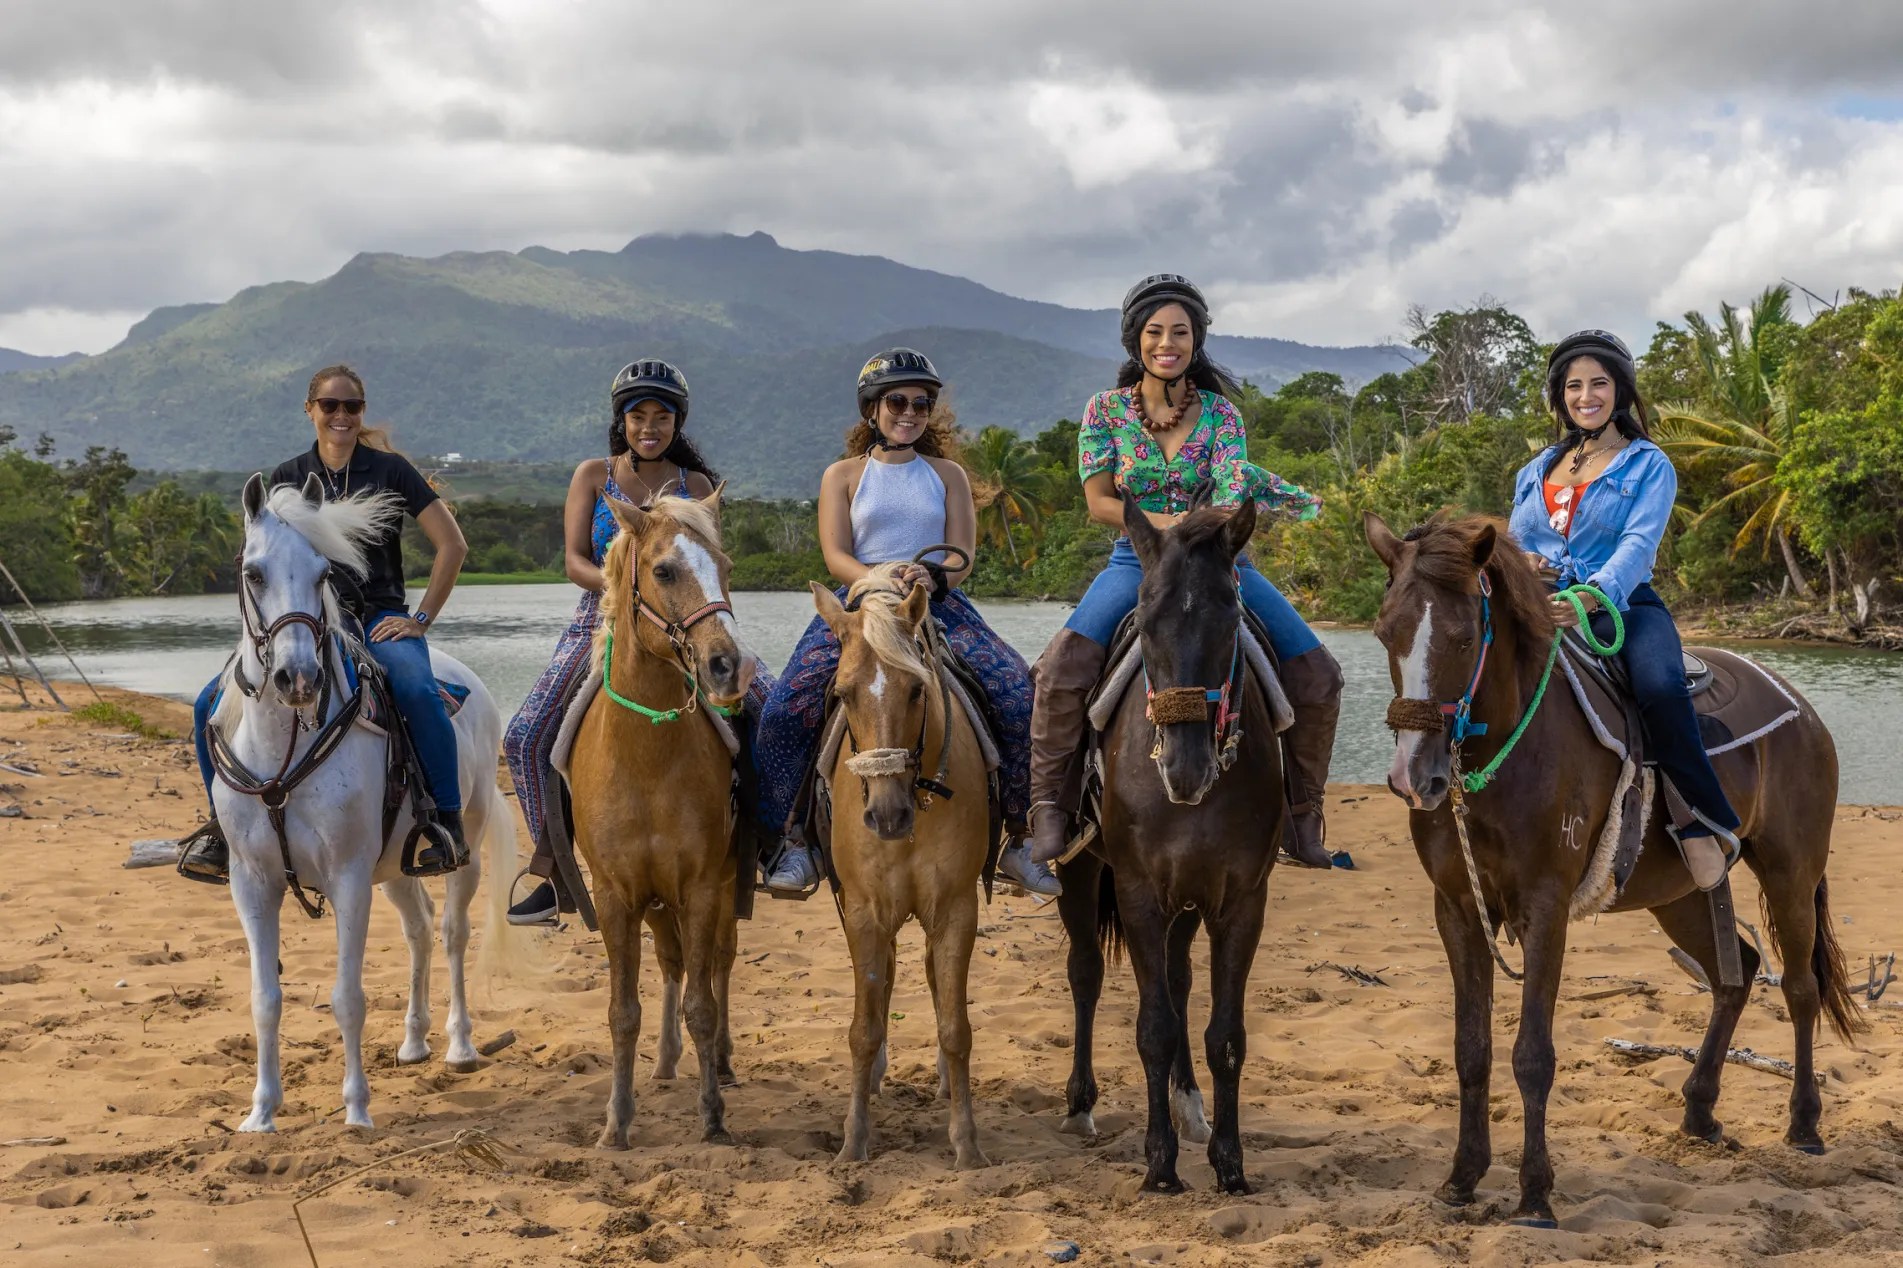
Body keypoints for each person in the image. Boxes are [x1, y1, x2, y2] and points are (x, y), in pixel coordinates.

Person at [1024, 275, 1343, 870]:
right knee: (1061, 670)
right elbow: (1098, 502)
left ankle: (1301, 818)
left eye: (1181, 332)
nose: (1167, 343)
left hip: (1221, 562)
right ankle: (1050, 811)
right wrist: (1162, 528)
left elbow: (1225, 502)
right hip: (1136, 561)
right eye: (1154, 332)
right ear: (1134, 340)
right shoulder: (1105, 411)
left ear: (1196, 340)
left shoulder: (1222, 415)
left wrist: (1185, 526)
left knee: (1319, 674)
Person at [754, 348, 1057, 897]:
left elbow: (961, 553)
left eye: (921, 403)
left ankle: (1018, 835)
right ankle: (791, 841)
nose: (910, 412)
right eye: (897, 401)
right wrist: (874, 579)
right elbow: (835, 554)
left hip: (934, 603)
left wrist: (930, 576)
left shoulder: (949, 474)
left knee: (1015, 693)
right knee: (784, 707)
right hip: (860, 604)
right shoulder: (843, 475)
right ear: (872, 409)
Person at [177, 364, 470, 882]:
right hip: (306, 622)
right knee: (206, 704)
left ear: (362, 411)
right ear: (310, 411)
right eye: (329, 406)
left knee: (417, 691)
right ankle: (221, 831)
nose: (341, 416)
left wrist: (420, 619)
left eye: (351, 406)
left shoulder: (392, 471)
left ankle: (443, 824)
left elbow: (453, 545)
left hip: (379, 616)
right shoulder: (287, 477)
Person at [1508, 329, 1741, 888]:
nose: (1585, 396)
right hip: (1540, 605)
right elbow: (1516, 539)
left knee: (1660, 687)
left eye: (1598, 384)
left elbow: (1638, 546)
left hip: (1623, 605)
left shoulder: (1648, 465)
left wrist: (1592, 594)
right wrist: (1527, 567)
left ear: (1621, 391)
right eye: (1573, 386)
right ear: (1559, 396)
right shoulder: (1537, 469)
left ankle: (1697, 821)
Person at [502, 359, 721, 926]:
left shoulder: (695, 487)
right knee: (525, 734)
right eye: (638, 416)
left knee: (763, 703)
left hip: (684, 616)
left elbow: (707, 563)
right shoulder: (592, 476)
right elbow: (574, 557)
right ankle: (552, 870)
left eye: (662, 417)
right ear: (621, 421)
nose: (650, 427)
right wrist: (622, 586)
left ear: (679, 422)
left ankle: (769, 841)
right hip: (599, 617)